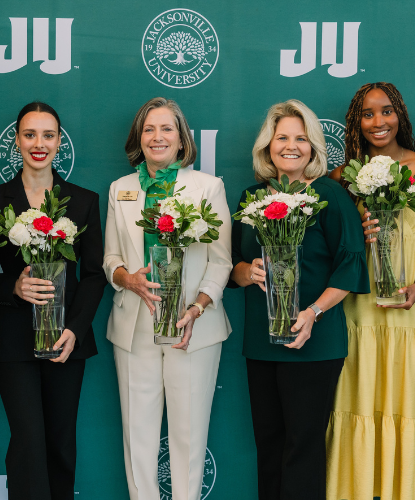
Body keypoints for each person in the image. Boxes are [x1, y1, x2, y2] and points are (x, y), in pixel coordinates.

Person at [230, 99, 369, 499]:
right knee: (269, 443)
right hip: (262, 339)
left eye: (301, 139)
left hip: (314, 341)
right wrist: (248, 272)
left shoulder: (329, 195)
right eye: (282, 138)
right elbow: (234, 268)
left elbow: (351, 265)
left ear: (313, 148)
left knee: (303, 448)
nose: (291, 146)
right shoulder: (250, 197)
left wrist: (313, 313)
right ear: (267, 146)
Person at [103, 97, 232, 500]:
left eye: (167, 129)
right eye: (149, 130)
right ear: (138, 139)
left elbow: (221, 261)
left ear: (182, 140)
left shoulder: (208, 187)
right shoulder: (119, 189)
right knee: (137, 435)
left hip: (191, 329)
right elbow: (110, 259)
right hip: (134, 327)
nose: (157, 137)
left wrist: (198, 306)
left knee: (189, 438)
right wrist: (128, 279)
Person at [0, 102, 105, 500]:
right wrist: (12, 289)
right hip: (13, 341)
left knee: (61, 445)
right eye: (30, 135)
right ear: (16, 140)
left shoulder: (83, 200)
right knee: (28, 442)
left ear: (59, 142)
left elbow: (95, 274)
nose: (39, 143)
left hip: (66, 342)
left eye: (48, 135)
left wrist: (75, 330)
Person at [325, 82, 415, 500]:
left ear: (401, 115)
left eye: (386, 111)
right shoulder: (341, 178)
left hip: (408, 313)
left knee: (408, 406)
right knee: (358, 404)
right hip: (357, 313)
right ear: (356, 122)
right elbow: (333, 249)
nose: (378, 122)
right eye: (368, 113)